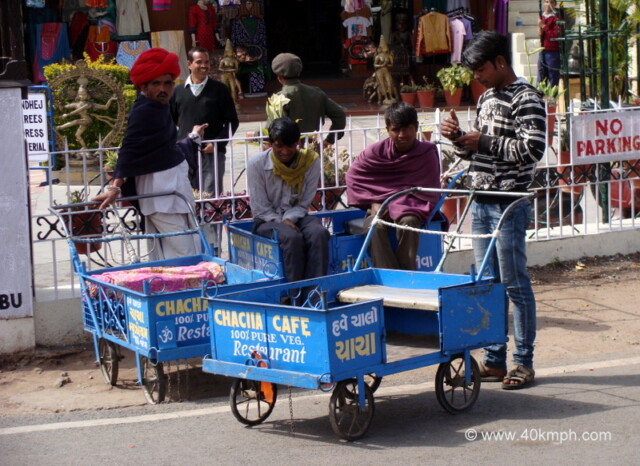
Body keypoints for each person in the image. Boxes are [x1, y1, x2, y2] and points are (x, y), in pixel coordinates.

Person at [440, 31, 546, 390]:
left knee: (515, 284)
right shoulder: (487, 98)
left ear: (501, 62)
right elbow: (477, 153)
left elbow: (532, 150)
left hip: (509, 204)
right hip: (482, 202)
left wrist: (482, 141)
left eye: (481, 69)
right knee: (489, 284)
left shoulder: (527, 97)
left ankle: (523, 363)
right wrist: (459, 140)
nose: (476, 78)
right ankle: (495, 360)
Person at [93, 47, 207, 260]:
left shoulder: (159, 107)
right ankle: (187, 290)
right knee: (187, 252)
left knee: (165, 255)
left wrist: (192, 138)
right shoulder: (144, 111)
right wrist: (114, 187)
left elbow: (165, 150)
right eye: (156, 83)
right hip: (160, 197)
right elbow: (130, 148)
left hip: (170, 194)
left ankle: (173, 290)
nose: (163, 89)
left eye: (167, 83)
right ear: (143, 86)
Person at [345, 102, 441, 270]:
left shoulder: (427, 152)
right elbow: (353, 177)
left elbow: (428, 189)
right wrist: (373, 202)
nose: (402, 135)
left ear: (416, 127)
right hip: (380, 205)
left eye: (407, 129)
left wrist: (397, 201)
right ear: (388, 129)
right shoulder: (375, 152)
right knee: (375, 225)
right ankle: (389, 275)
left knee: (409, 221)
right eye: (396, 130)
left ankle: (407, 273)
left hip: (412, 206)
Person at [247, 117, 329, 283]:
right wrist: (281, 221)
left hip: (296, 216)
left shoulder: (310, 162)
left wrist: (289, 218)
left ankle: (315, 292)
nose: (285, 151)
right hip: (267, 220)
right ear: (270, 143)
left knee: (319, 233)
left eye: (290, 146)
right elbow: (261, 208)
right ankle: (294, 294)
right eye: (279, 146)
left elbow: (304, 202)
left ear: (298, 143)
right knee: (291, 238)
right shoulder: (256, 164)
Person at [170, 46, 239, 196]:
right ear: (189, 64)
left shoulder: (220, 90)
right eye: (199, 62)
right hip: (185, 154)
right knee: (185, 196)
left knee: (211, 198)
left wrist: (217, 143)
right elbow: (170, 121)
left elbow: (232, 121)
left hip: (212, 153)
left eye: (206, 62)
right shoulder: (177, 91)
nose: (204, 66)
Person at [270, 53, 346, 148]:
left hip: (288, 150)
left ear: (279, 78)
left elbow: (271, 128)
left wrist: (255, 135)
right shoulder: (317, 93)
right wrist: (329, 140)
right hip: (312, 148)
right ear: (299, 73)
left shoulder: (279, 98)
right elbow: (339, 114)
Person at [537, 0, 562, 86]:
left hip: (552, 50)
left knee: (553, 76)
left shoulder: (556, 17)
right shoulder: (542, 16)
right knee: (541, 74)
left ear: (555, 4)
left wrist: (543, 26)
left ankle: (552, 98)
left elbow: (555, 35)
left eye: (551, 2)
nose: (548, 5)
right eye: (547, 2)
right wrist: (540, 30)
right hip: (543, 49)